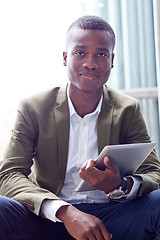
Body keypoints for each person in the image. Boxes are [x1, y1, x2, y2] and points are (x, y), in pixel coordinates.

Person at [0, 15, 160, 240]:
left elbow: (154, 172)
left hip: (112, 216)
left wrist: (120, 185)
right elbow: (9, 174)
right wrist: (64, 211)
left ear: (112, 60)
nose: (91, 63)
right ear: (65, 57)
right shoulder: (34, 107)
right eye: (80, 53)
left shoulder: (127, 109)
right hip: (48, 218)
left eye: (101, 54)